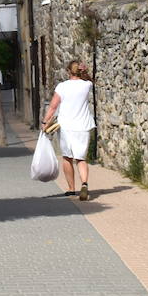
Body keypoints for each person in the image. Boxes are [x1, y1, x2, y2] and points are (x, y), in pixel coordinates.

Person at [42, 59, 96, 200]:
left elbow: (53, 106)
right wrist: (85, 72)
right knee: (81, 159)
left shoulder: (62, 87)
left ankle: (71, 189)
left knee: (67, 158)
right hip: (83, 126)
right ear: (81, 71)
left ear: (68, 71)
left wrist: (45, 122)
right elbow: (91, 80)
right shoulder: (87, 85)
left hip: (66, 126)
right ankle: (84, 184)